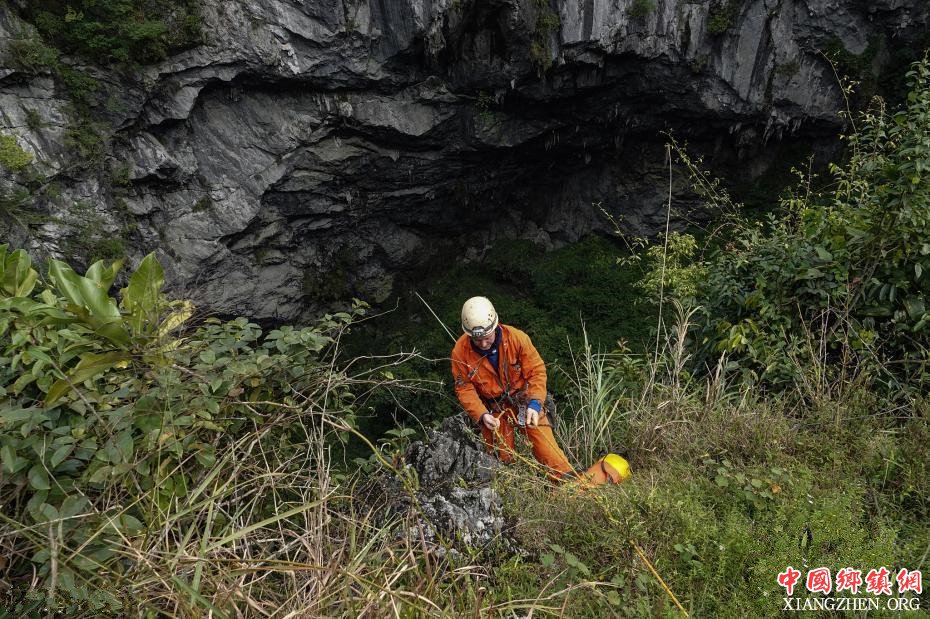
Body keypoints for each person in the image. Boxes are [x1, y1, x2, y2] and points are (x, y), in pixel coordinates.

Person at [450, 296, 573, 480]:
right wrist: (482, 415)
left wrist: (535, 404)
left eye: (487, 338)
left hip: (524, 400)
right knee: (501, 461)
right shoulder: (460, 352)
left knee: (548, 451)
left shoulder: (517, 339)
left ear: (495, 327)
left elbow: (536, 372)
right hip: (494, 410)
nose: (483, 344)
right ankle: (512, 489)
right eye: (477, 340)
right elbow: (464, 388)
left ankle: (567, 482)